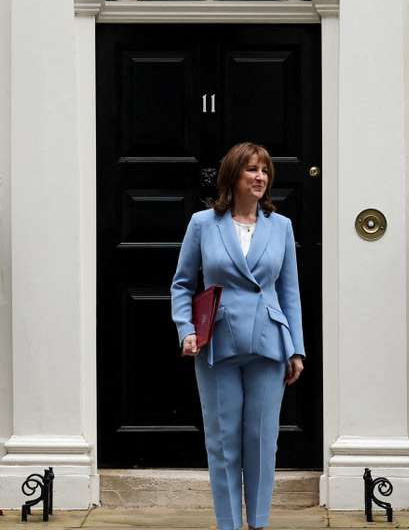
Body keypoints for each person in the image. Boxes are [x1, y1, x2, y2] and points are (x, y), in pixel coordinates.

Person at [169, 141, 307, 530]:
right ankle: (228, 524)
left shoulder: (281, 227)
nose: (260, 176)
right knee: (223, 442)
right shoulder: (203, 224)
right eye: (252, 169)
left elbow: (289, 291)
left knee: (262, 441)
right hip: (217, 342)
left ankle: (258, 523)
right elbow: (182, 284)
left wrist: (296, 349)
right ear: (234, 176)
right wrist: (186, 329)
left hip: (268, 343)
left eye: (264, 170)